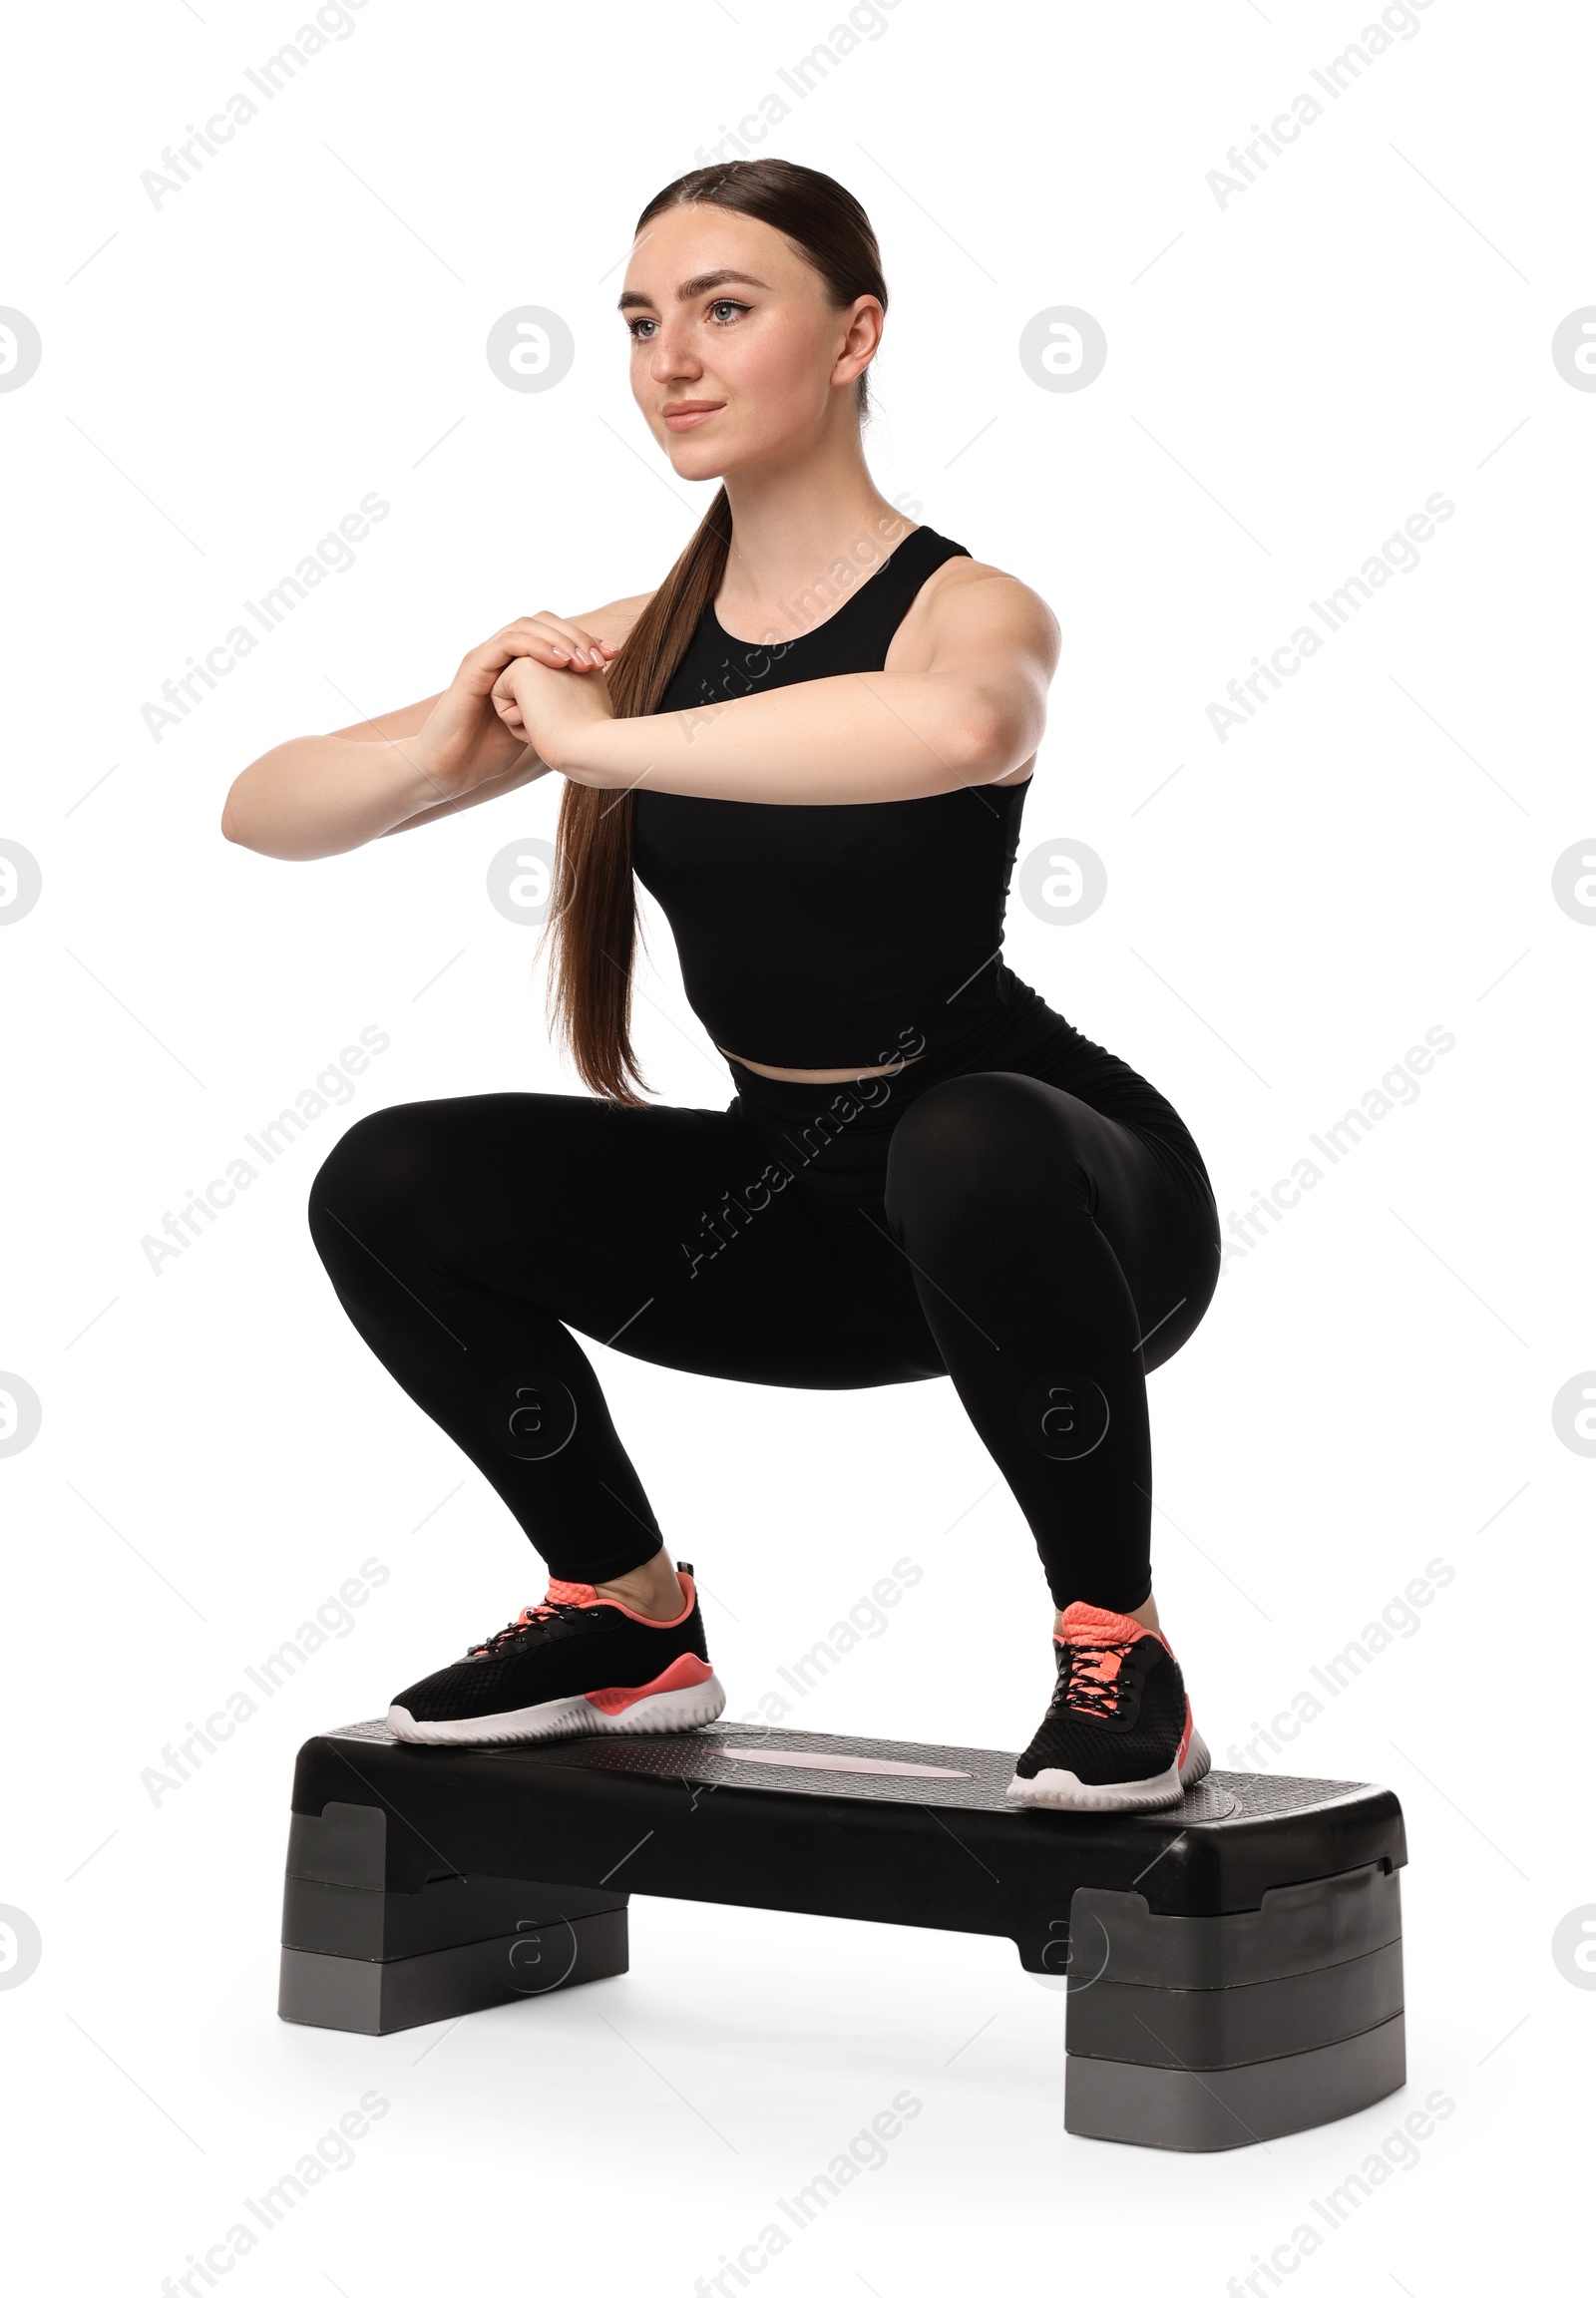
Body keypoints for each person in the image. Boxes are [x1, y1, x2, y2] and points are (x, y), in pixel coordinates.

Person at [220, 159, 1223, 1813]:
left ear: (855, 337)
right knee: (390, 1179)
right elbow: (264, 812)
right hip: (800, 1215)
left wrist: (606, 737)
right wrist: (453, 726)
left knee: (962, 1139)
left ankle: (1120, 1648)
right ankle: (626, 1618)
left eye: (726, 309)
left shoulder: (964, 607)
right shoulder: (647, 638)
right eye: (638, 322)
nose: (669, 359)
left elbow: (963, 730)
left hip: (1069, 1211)